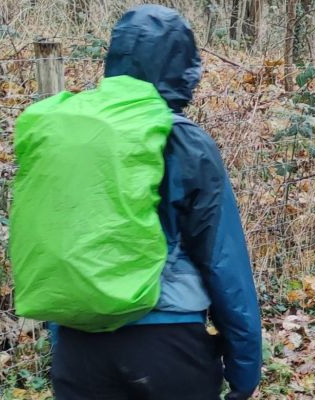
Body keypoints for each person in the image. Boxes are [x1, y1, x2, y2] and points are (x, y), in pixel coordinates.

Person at [44, 5, 263, 400]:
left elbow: (60, 244)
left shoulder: (72, 136)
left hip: (80, 348)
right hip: (167, 346)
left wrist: (62, 337)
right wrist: (245, 367)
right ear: (182, 66)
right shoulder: (183, 141)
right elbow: (222, 259)